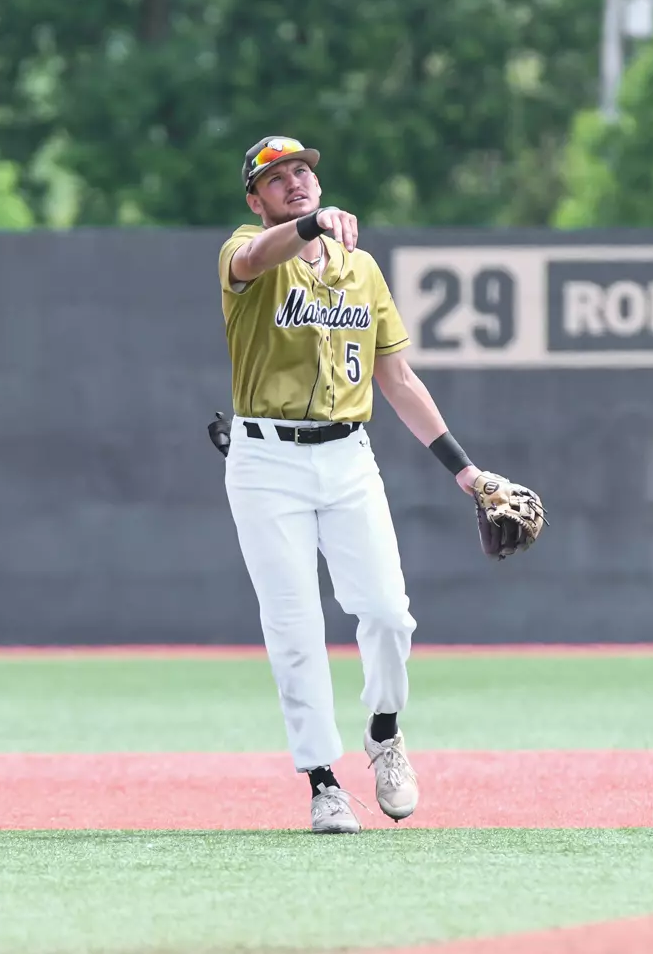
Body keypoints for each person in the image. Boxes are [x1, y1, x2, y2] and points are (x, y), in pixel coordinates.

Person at [213, 135, 537, 834]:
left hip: (347, 455)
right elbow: (253, 258)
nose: (295, 182)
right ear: (256, 199)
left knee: (389, 612)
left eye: (303, 172)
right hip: (266, 462)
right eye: (277, 178)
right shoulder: (246, 251)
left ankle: (384, 730)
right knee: (295, 626)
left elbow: (397, 379)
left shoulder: (360, 270)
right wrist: (306, 228)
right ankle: (323, 782)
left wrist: (467, 472)